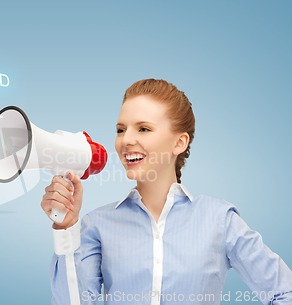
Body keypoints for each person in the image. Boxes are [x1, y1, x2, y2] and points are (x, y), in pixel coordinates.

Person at [40, 79, 292, 305]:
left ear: (179, 142)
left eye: (143, 129)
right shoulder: (97, 225)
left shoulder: (219, 220)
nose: (126, 140)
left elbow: (284, 292)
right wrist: (67, 228)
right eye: (120, 129)